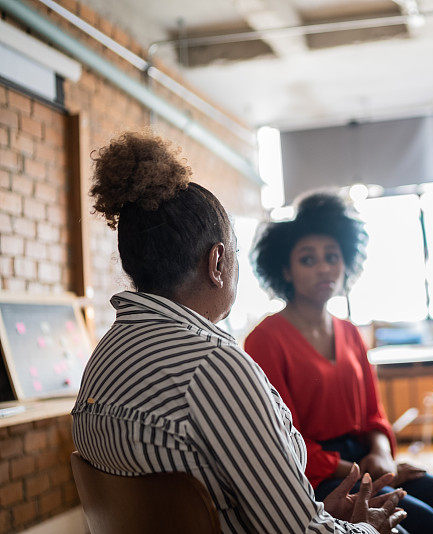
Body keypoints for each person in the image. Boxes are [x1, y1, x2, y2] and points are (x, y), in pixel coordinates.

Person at [71, 132, 407, 534]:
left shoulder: (104, 357)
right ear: (217, 262)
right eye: (232, 253)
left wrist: (319, 510)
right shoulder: (214, 365)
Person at [244, 191, 433, 534]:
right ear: (284, 270)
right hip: (314, 473)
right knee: (424, 522)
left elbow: (373, 415)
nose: (323, 267)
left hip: (367, 459)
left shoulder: (349, 332)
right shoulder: (265, 339)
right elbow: (285, 440)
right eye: (308, 259)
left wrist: (381, 456)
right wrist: (364, 470)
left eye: (332, 256)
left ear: (346, 262)